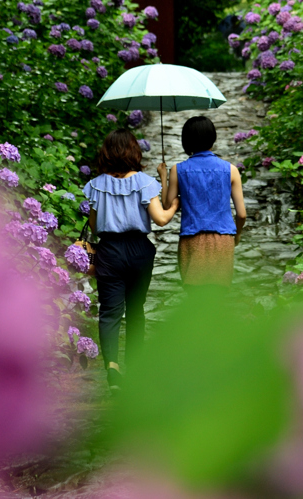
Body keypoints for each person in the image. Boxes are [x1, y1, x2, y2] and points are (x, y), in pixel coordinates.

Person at [83, 129, 178, 390]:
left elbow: (93, 225)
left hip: (109, 250)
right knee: (136, 310)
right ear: (133, 151)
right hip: (139, 250)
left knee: (110, 311)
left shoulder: (95, 185)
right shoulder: (146, 183)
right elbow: (160, 219)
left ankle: (112, 367)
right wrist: (174, 204)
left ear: (106, 153)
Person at [160, 116, 247, 290]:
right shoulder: (231, 170)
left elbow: (167, 205)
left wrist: (164, 178)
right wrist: (236, 235)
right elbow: (242, 214)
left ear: (187, 141)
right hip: (223, 239)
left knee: (194, 297)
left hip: (191, 239)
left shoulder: (178, 170)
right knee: (218, 297)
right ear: (212, 138)